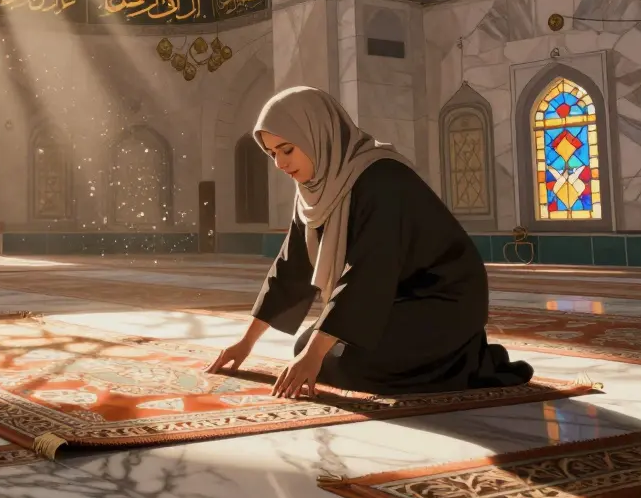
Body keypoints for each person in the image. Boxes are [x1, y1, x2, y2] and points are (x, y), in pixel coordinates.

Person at [205, 86, 533, 398]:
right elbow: (291, 268)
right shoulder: (314, 189)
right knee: (305, 347)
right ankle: (440, 356)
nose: (280, 164)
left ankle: (469, 358)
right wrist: (245, 342)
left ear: (318, 134)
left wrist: (316, 353)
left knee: (344, 362)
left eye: (287, 150)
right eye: (273, 153)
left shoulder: (381, 178)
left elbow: (369, 270)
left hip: (442, 300)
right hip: (391, 301)